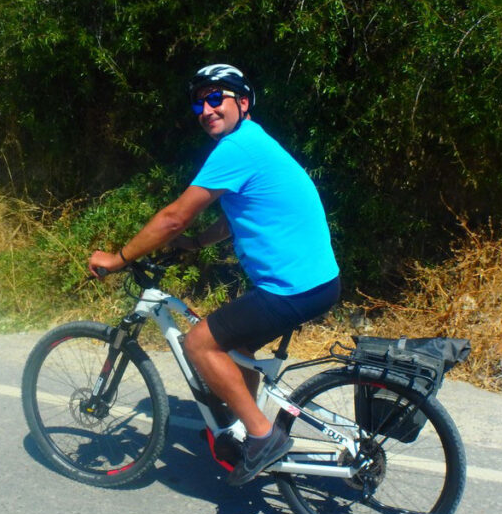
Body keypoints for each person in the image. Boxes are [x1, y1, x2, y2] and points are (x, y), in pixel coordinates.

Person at [89, 64, 340, 485]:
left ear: (242, 102)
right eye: (198, 103)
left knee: (199, 343)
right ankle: (243, 426)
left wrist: (119, 258)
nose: (205, 110)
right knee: (236, 344)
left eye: (215, 98)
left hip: (292, 288)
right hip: (314, 283)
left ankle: (263, 437)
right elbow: (234, 216)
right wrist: (197, 243)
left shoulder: (236, 148)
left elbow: (174, 217)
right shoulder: (253, 141)